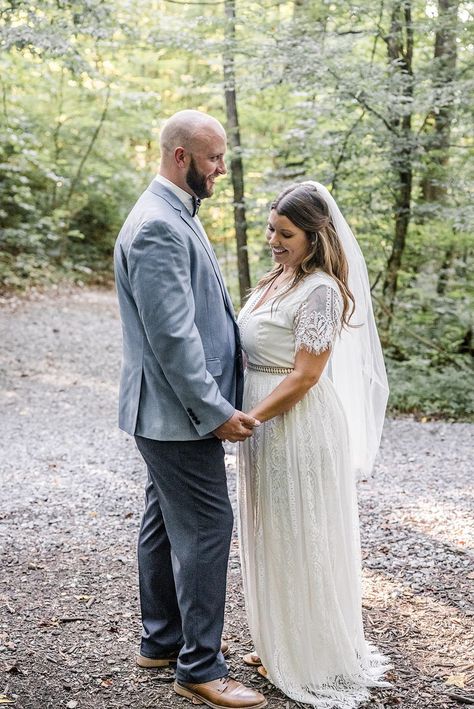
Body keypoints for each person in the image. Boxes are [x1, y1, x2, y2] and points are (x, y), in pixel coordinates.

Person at [114, 109, 266, 709]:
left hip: (169, 414)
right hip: (179, 414)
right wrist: (214, 410)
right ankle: (199, 667)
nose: (221, 169)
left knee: (163, 522)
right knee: (207, 527)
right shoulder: (158, 225)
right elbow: (172, 339)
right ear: (181, 156)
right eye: (213, 159)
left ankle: (161, 642)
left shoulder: (175, 212)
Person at [237, 181, 391, 708]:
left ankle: (312, 653)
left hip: (295, 423)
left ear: (314, 236)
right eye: (271, 230)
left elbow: (305, 376)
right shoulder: (275, 279)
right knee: (272, 531)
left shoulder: (321, 289)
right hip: (264, 420)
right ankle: (281, 640)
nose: (273, 241)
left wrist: (249, 418)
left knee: (302, 530)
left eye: (285, 233)